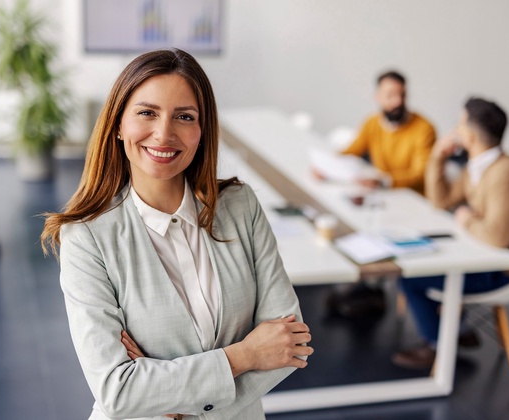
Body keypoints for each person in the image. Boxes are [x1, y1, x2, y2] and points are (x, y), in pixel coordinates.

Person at [42, 49, 313, 419]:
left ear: (202, 131)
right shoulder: (87, 236)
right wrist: (246, 354)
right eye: (147, 112)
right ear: (118, 124)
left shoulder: (240, 205)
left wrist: (166, 397)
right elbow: (117, 391)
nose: (164, 133)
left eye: (184, 117)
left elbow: (288, 346)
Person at [392, 97, 509, 370]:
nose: (455, 131)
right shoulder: (479, 166)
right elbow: (442, 200)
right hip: (484, 253)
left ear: (469, 136)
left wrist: (466, 218)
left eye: (459, 126)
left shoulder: (504, 174)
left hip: (504, 269)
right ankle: (457, 330)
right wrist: (437, 157)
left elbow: (498, 238)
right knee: (417, 265)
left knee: (409, 276)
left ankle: (438, 344)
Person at [331, 70, 437, 194]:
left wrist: (384, 181)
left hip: (413, 196)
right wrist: (329, 166)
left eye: (402, 95)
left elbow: (420, 174)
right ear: (378, 97)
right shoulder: (372, 122)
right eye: (390, 95)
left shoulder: (424, 129)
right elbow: (353, 150)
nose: (398, 101)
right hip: (382, 192)